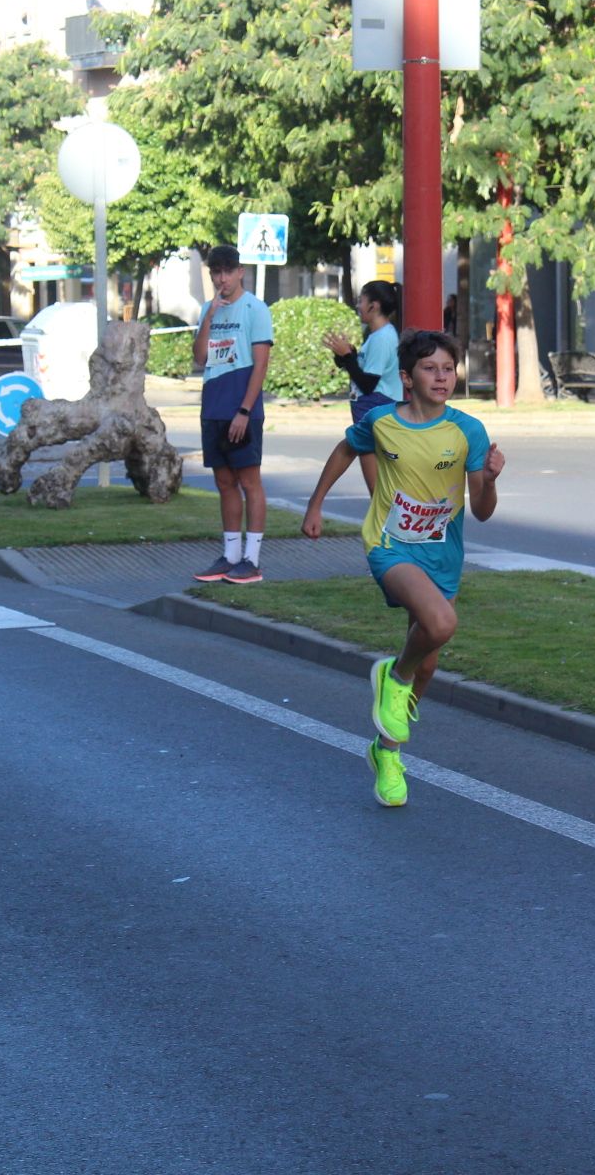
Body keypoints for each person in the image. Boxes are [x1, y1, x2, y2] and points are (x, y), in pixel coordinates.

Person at [301, 330, 504, 808]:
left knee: (428, 660)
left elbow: (483, 510)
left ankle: (386, 752)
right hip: (390, 546)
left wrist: (491, 480)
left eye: (448, 369)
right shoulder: (380, 422)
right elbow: (344, 451)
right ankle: (392, 676)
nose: (441, 377)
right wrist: (315, 506)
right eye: (430, 368)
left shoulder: (468, 431)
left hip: (442, 555)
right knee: (441, 623)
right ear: (408, 378)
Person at [191, 245, 272, 584]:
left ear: (240, 272)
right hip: (213, 404)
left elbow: (260, 364)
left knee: (249, 481)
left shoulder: (256, 308)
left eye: (228, 271)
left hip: (242, 406)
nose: (222, 278)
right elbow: (199, 357)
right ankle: (230, 555)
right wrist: (208, 317)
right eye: (216, 272)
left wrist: (244, 410)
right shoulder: (208, 310)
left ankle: (251, 560)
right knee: (224, 482)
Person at [320, 279, 404, 493]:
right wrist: (348, 356)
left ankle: (381, 524)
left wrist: (348, 356)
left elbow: (368, 383)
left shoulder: (382, 338)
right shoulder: (377, 336)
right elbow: (361, 372)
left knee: (376, 487)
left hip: (374, 408)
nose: (358, 306)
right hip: (370, 409)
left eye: (361, 301)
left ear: (373, 306)